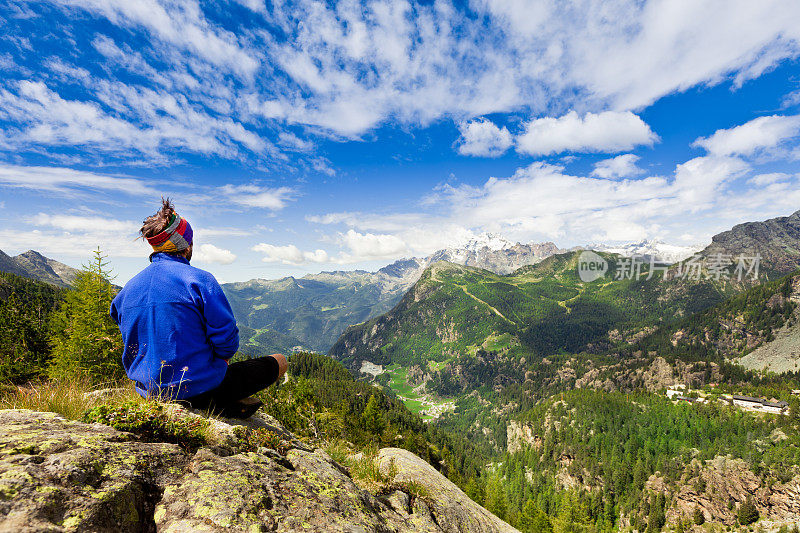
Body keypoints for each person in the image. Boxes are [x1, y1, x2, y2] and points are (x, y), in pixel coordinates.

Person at [110, 198, 288, 418]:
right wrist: (221, 360)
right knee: (280, 360)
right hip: (202, 390)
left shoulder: (125, 292)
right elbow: (227, 340)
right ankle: (218, 405)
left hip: (150, 394)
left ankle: (220, 405)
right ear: (187, 244)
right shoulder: (199, 280)